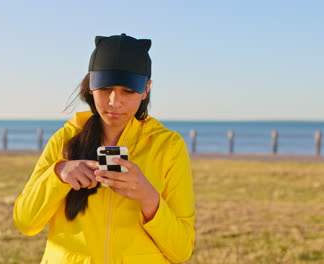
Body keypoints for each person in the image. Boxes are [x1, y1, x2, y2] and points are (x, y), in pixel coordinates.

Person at [13, 33, 195, 264]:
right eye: (105, 88)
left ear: (146, 89)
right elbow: (25, 222)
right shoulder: (64, 139)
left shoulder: (168, 146)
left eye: (128, 91)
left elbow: (182, 251)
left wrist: (149, 199)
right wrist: (58, 174)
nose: (114, 101)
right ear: (91, 86)